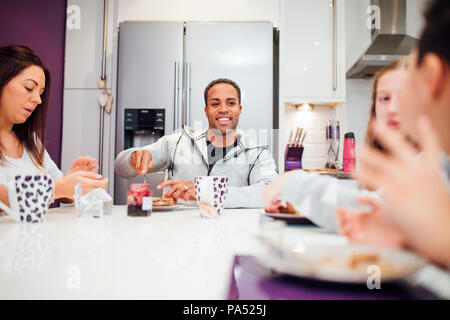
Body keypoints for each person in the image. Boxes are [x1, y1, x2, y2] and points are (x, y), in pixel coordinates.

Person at [338, 0, 450, 268]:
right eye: (385, 98)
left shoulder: (432, 163)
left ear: (432, 78)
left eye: (405, 94)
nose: (395, 109)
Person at [262, 57, 412, 231]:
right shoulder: (396, 165)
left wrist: (292, 182)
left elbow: (374, 214)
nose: (392, 108)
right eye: (384, 98)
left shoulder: (437, 162)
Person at [115, 78, 278, 208]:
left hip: (230, 235)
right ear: (206, 110)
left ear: (239, 109)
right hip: (179, 236)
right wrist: (133, 158)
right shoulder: (178, 141)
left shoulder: (257, 152)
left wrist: (204, 192)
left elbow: (272, 193)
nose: (223, 109)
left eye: (231, 103)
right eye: (215, 104)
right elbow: (120, 168)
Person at [0, 45, 108, 207]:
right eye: (29, 87)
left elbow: (61, 191)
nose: (38, 100)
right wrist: (58, 187)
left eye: (40, 92)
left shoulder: (31, 142)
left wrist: (73, 182)